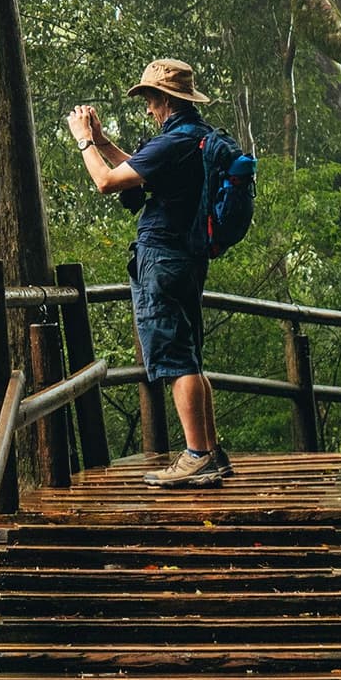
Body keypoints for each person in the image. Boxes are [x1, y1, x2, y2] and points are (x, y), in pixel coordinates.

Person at [67, 59, 227, 488]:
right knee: (189, 354)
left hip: (163, 258)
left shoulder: (174, 141)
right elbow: (136, 169)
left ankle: (196, 456)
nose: (149, 110)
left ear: (166, 101)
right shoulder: (199, 137)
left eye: (152, 101)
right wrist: (102, 139)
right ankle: (210, 450)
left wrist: (84, 143)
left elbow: (107, 182)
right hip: (189, 257)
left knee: (175, 360)